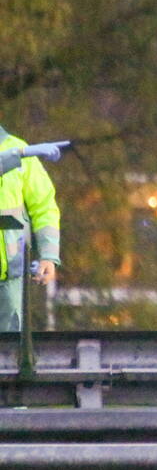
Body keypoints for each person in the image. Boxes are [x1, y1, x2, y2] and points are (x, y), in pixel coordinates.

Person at [0, 131, 65, 331]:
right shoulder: (20, 151)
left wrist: (48, 255)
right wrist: (19, 154)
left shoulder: (18, 148)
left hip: (10, 278)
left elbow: (44, 207)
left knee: (9, 355)